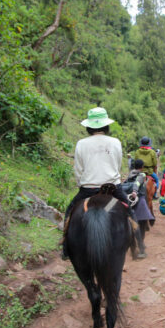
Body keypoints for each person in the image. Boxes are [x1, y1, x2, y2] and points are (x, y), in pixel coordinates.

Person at [61, 107, 135, 260]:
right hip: (113, 189)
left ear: (89, 127)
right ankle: (136, 242)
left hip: (88, 190)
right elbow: (117, 165)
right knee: (129, 210)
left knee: (70, 211)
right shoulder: (115, 142)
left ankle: (66, 248)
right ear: (106, 125)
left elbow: (78, 169)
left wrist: (81, 184)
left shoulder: (81, 143)